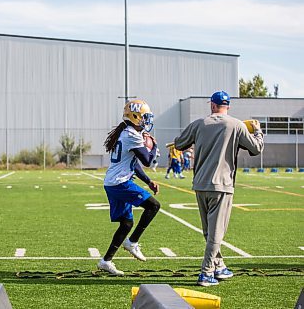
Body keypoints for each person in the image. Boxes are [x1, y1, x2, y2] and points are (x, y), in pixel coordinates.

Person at [174, 91, 264, 286]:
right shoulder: (236, 124)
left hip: (200, 184)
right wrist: (257, 131)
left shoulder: (199, 124)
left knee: (209, 231)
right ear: (227, 106)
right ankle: (206, 272)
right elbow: (256, 148)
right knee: (216, 232)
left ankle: (219, 266)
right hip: (222, 185)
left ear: (212, 105)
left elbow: (179, 143)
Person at [98, 100, 160, 276]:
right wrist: (154, 146)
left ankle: (106, 261)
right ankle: (132, 242)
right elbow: (147, 161)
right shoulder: (131, 134)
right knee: (153, 206)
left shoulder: (127, 132)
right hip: (120, 183)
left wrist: (148, 181)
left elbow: (135, 165)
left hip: (113, 182)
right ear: (134, 116)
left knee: (126, 223)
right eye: (144, 117)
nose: (146, 121)